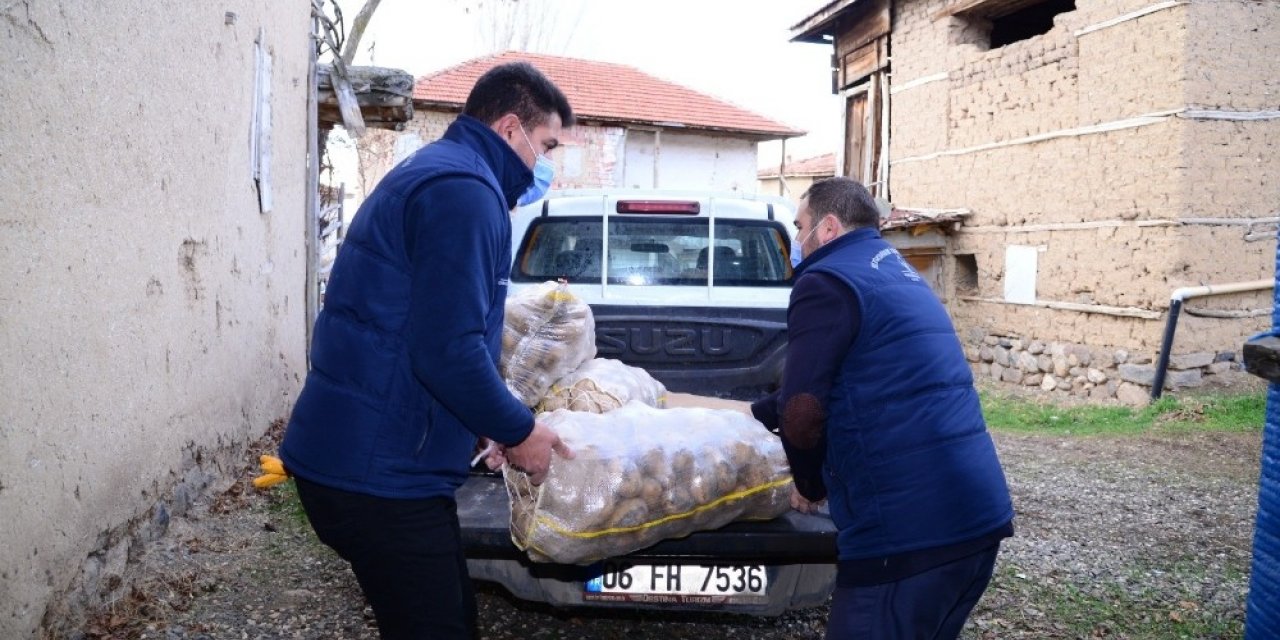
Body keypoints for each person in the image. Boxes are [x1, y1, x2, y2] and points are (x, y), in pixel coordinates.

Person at [279, 62, 575, 640]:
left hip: (368, 463)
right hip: (380, 479)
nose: (546, 165)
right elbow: (447, 352)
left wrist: (481, 426)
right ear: (511, 128)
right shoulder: (464, 193)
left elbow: (422, 330)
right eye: (545, 146)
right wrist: (519, 430)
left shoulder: (448, 175)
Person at [751, 177, 1014, 640]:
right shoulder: (895, 270)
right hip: (975, 522)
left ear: (827, 228)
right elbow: (861, 380)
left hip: (907, 539)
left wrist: (809, 484)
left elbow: (804, 410)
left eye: (800, 226)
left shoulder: (826, 280)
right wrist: (749, 415)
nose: (796, 241)